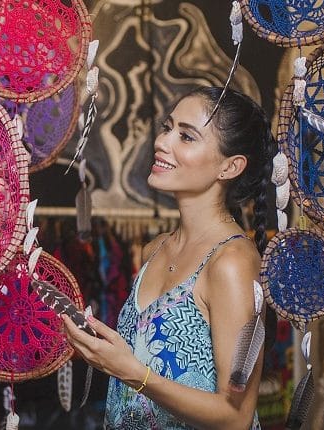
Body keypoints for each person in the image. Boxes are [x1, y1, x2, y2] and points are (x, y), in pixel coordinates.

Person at [64, 86, 276, 429]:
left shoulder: (232, 263)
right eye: (167, 127)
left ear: (230, 166)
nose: (163, 142)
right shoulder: (155, 249)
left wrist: (133, 373)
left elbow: (235, 416)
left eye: (187, 137)